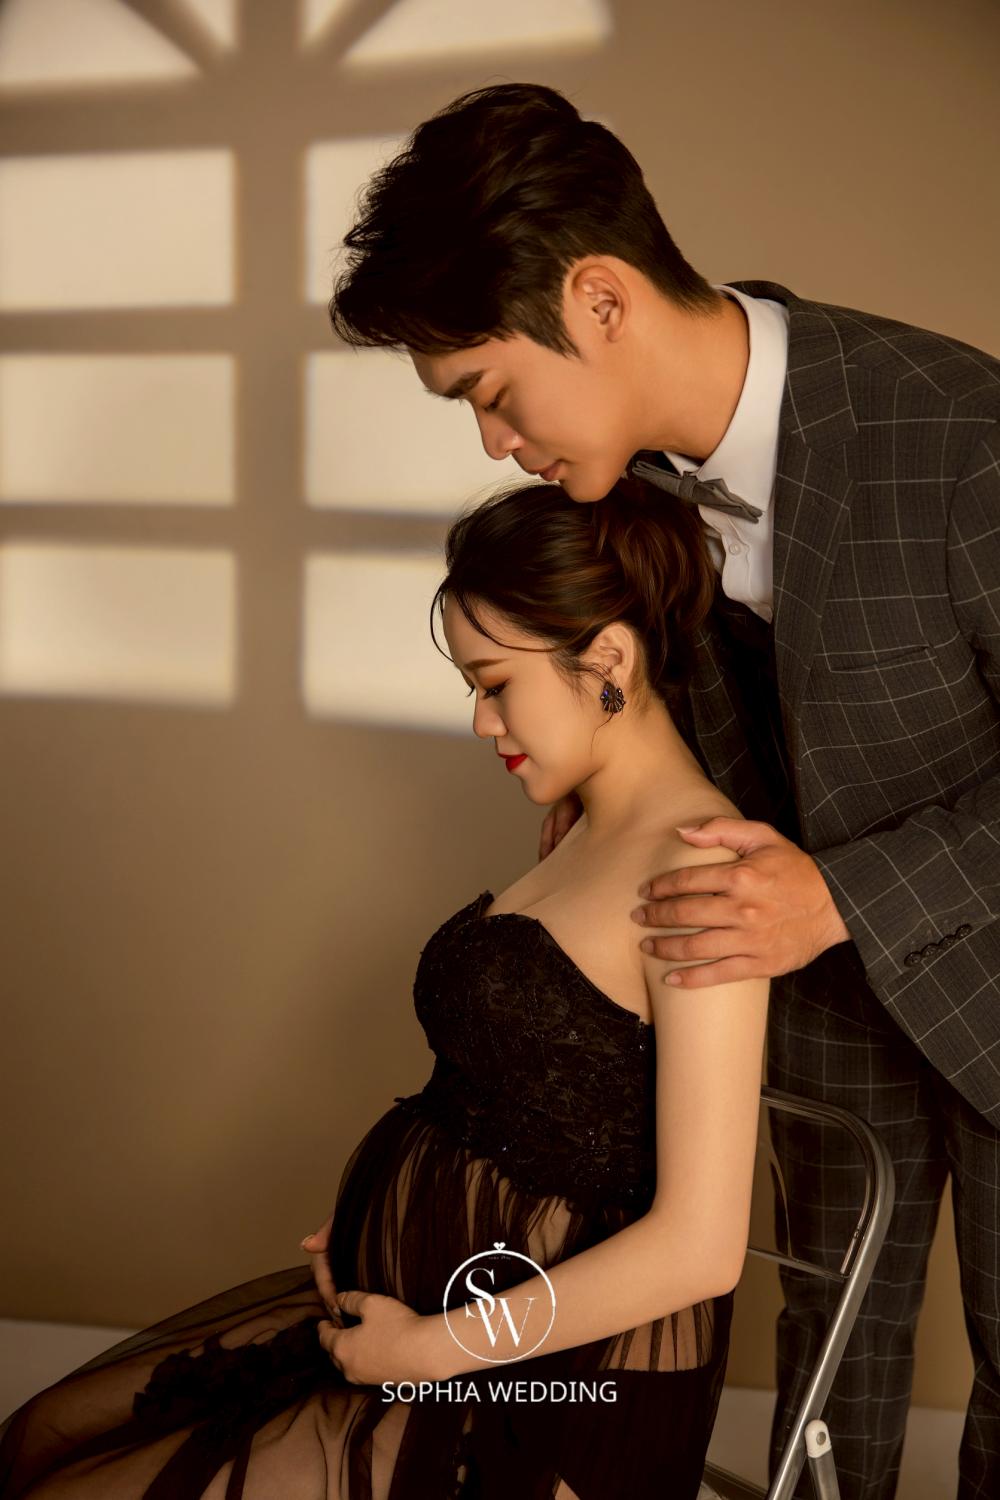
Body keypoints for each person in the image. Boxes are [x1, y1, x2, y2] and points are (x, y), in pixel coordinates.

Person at [324, 81, 1000, 1500]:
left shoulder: (958, 430)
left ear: (600, 299)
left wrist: (840, 895)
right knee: (829, 1383)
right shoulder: (616, 501)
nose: (493, 443)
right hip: (803, 1002)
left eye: (490, 392)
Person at [0, 478, 769, 1499]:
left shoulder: (701, 872)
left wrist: (428, 1348)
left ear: (608, 662)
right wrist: (389, 1224)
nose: (482, 720)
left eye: (496, 683)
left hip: (549, 1386)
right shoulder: (581, 832)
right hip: (425, 1304)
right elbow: (514, 1104)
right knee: (39, 1436)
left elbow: (700, 1249)